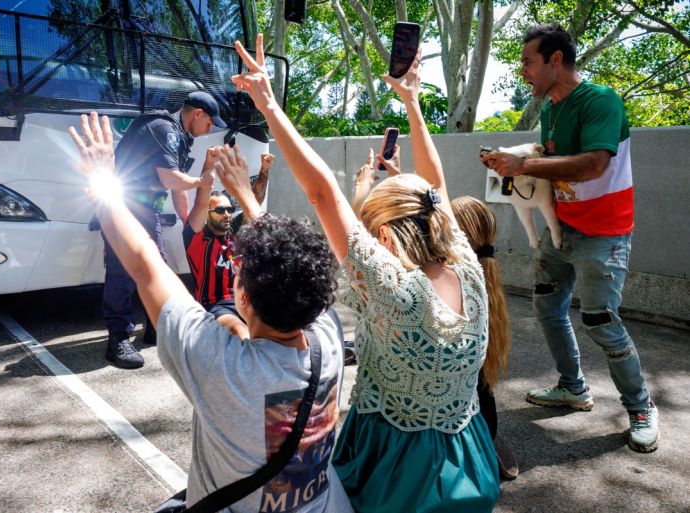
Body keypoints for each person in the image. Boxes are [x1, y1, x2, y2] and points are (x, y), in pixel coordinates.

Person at [232, 34, 499, 512]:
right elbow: (434, 185)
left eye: (373, 232)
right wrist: (412, 102)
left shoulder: (391, 287)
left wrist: (269, 103)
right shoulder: (468, 265)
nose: (370, 242)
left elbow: (321, 193)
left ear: (388, 236)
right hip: (467, 456)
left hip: (395, 463)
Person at [69, 113, 353, 511]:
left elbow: (143, 261)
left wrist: (103, 182)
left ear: (245, 299)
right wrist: (247, 197)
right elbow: (291, 260)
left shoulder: (219, 364)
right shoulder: (330, 339)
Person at [481, 23, 659, 453]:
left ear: (555, 60)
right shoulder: (550, 110)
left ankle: (640, 407)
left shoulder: (600, 100)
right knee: (547, 304)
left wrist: (521, 167)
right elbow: (552, 163)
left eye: (528, 61)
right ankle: (572, 387)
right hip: (562, 230)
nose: (522, 70)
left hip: (604, 233)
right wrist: (520, 159)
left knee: (600, 320)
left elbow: (593, 165)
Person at [102, 91, 225, 369]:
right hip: (122, 204)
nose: (210, 128)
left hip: (144, 207)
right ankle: (118, 338)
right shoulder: (164, 129)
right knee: (122, 269)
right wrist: (202, 182)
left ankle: (155, 328)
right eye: (209, 122)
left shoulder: (181, 137)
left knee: (156, 266)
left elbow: (177, 187)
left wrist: (188, 227)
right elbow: (170, 178)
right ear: (197, 113)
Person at [451, 196, 518, 480]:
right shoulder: (486, 269)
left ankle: (480, 444)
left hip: (456, 408)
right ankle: (488, 439)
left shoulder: (453, 278)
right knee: (482, 387)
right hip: (481, 399)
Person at [183, 147, 266, 338]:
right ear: (208, 215)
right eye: (220, 211)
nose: (227, 214)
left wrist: (265, 169)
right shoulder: (197, 238)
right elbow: (201, 203)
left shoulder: (234, 234)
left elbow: (254, 201)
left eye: (229, 209)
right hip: (215, 305)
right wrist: (209, 164)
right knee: (240, 331)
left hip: (245, 302)